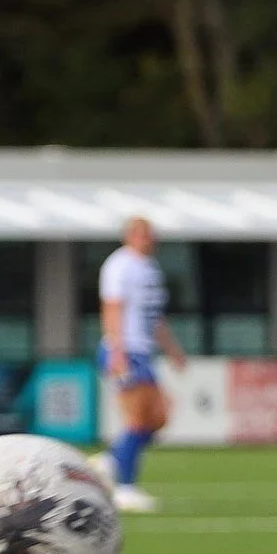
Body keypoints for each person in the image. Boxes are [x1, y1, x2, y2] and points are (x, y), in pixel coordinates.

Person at [88, 216, 185, 513]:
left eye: (150, 234)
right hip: (126, 349)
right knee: (138, 418)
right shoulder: (120, 266)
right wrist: (117, 352)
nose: (149, 239)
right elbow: (112, 308)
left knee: (158, 417)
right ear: (129, 236)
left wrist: (172, 349)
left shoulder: (149, 269)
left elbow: (154, 317)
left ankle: (110, 461)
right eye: (143, 234)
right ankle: (124, 488)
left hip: (143, 351)